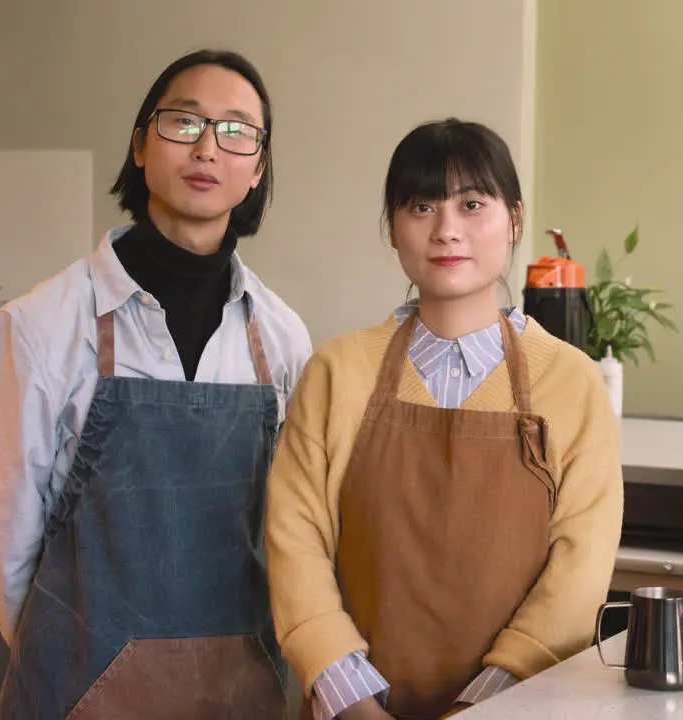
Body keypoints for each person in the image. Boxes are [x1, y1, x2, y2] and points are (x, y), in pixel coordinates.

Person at [0, 49, 311, 720]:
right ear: (140, 144)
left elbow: (289, 535)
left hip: (241, 695)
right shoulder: (38, 328)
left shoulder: (282, 338)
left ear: (257, 168)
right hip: (76, 694)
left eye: (237, 132)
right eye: (185, 122)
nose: (208, 148)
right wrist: (78, 665)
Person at [266, 118, 625, 720]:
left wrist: (490, 699)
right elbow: (294, 541)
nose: (447, 230)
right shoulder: (337, 371)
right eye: (422, 206)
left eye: (472, 204)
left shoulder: (571, 382)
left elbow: (581, 564)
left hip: (518, 707)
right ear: (392, 228)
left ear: (514, 220)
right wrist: (349, 696)